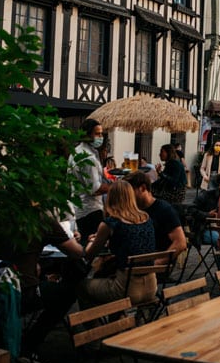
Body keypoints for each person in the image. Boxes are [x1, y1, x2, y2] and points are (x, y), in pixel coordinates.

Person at [0, 213, 87, 363]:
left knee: (50, 282)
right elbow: (77, 252)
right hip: (23, 291)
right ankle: (29, 345)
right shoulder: (41, 218)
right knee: (67, 293)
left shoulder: (1, 215)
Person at [79, 179, 158, 307]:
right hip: (151, 287)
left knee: (82, 287)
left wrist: (92, 240)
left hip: (126, 289)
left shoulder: (111, 223)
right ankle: (119, 320)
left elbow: (89, 255)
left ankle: (97, 326)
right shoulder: (146, 219)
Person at [127, 170, 187, 258]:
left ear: (143, 188)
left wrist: (159, 262)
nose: (128, 196)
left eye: (130, 192)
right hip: (134, 259)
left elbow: (180, 243)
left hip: (152, 262)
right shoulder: (132, 209)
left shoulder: (164, 210)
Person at [68, 118, 107, 245]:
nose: (101, 137)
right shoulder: (87, 157)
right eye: (97, 134)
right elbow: (95, 189)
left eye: (101, 134)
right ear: (87, 134)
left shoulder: (77, 151)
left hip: (80, 208)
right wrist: (117, 186)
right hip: (90, 211)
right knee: (92, 247)